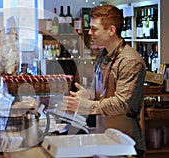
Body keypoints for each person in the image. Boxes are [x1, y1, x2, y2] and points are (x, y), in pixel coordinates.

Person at [62, 5, 146, 158]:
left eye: (94, 29)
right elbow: (98, 89)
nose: (89, 33)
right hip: (105, 136)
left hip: (126, 143)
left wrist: (87, 106)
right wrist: (87, 94)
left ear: (111, 30)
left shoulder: (130, 61)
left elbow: (121, 104)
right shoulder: (102, 54)